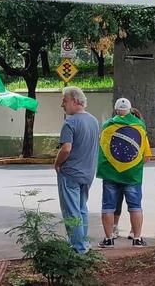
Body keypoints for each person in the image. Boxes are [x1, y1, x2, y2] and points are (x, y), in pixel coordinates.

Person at [97, 98, 151, 248]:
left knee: (108, 206)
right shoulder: (140, 125)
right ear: (130, 109)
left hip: (111, 173)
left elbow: (102, 148)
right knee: (135, 206)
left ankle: (108, 239)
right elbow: (144, 154)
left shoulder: (107, 125)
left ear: (115, 110)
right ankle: (137, 239)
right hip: (132, 174)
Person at [54, 87, 100, 253]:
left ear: (75, 101)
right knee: (82, 209)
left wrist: (57, 164)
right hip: (87, 173)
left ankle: (78, 247)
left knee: (71, 211)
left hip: (71, 173)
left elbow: (66, 149)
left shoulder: (70, 123)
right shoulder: (94, 121)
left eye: (64, 101)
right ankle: (84, 244)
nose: (62, 105)